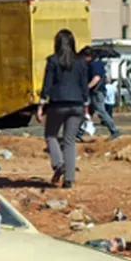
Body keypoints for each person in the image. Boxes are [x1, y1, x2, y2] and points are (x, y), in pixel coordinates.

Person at [36, 29, 89, 188]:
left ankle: (59, 164)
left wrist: (41, 105)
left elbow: (47, 85)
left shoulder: (52, 61)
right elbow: (83, 85)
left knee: (51, 135)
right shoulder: (81, 62)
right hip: (78, 103)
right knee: (70, 140)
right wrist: (86, 105)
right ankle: (69, 179)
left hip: (58, 103)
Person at [76, 47, 120, 141]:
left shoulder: (95, 64)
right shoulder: (96, 63)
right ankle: (78, 134)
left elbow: (96, 78)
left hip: (97, 91)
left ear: (88, 56)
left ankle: (114, 131)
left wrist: (86, 87)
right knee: (88, 113)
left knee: (101, 112)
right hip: (94, 92)